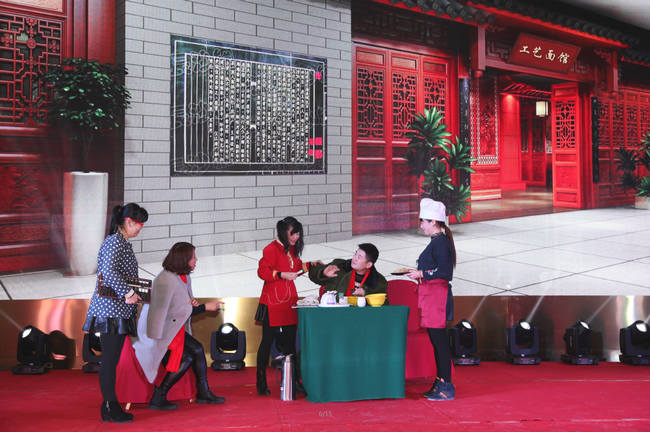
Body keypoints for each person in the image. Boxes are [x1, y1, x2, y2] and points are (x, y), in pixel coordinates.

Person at [132, 242, 226, 410]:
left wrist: (191, 304)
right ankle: (159, 396)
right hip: (157, 332)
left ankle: (203, 393)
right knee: (187, 358)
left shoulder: (183, 277)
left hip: (172, 328)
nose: (196, 260)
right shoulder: (165, 280)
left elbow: (181, 308)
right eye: (193, 257)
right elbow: (167, 313)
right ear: (183, 259)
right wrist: (204, 307)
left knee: (197, 349)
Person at [82, 203, 148, 423]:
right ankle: (110, 405)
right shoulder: (114, 241)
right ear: (128, 222)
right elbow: (108, 272)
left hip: (118, 310)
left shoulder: (122, 242)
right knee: (110, 361)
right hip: (110, 311)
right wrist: (128, 292)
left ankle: (109, 406)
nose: (140, 229)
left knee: (112, 360)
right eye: (139, 225)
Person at [255, 216, 312, 396]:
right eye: (293, 233)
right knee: (266, 342)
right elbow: (262, 272)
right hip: (272, 303)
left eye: (298, 233)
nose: (296, 237)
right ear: (283, 232)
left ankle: (293, 380)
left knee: (290, 343)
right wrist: (281, 274)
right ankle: (261, 381)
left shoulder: (291, 249)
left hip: (288, 301)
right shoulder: (270, 249)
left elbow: (295, 268)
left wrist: (311, 265)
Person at [406, 198, 456, 401]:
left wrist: (421, 274)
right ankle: (440, 381)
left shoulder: (441, 243)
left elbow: (444, 272)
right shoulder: (438, 242)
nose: (421, 225)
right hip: (432, 298)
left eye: (423, 221)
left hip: (437, 299)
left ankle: (445, 385)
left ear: (433, 222)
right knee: (436, 343)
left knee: (440, 343)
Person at [308, 243, 387, 299]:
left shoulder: (378, 281)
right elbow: (313, 272)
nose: (354, 258)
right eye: (355, 254)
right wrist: (323, 273)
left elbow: (383, 301)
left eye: (359, 257)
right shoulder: (339, 266)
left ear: (368, 264)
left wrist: (365, 293)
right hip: (333, 311)